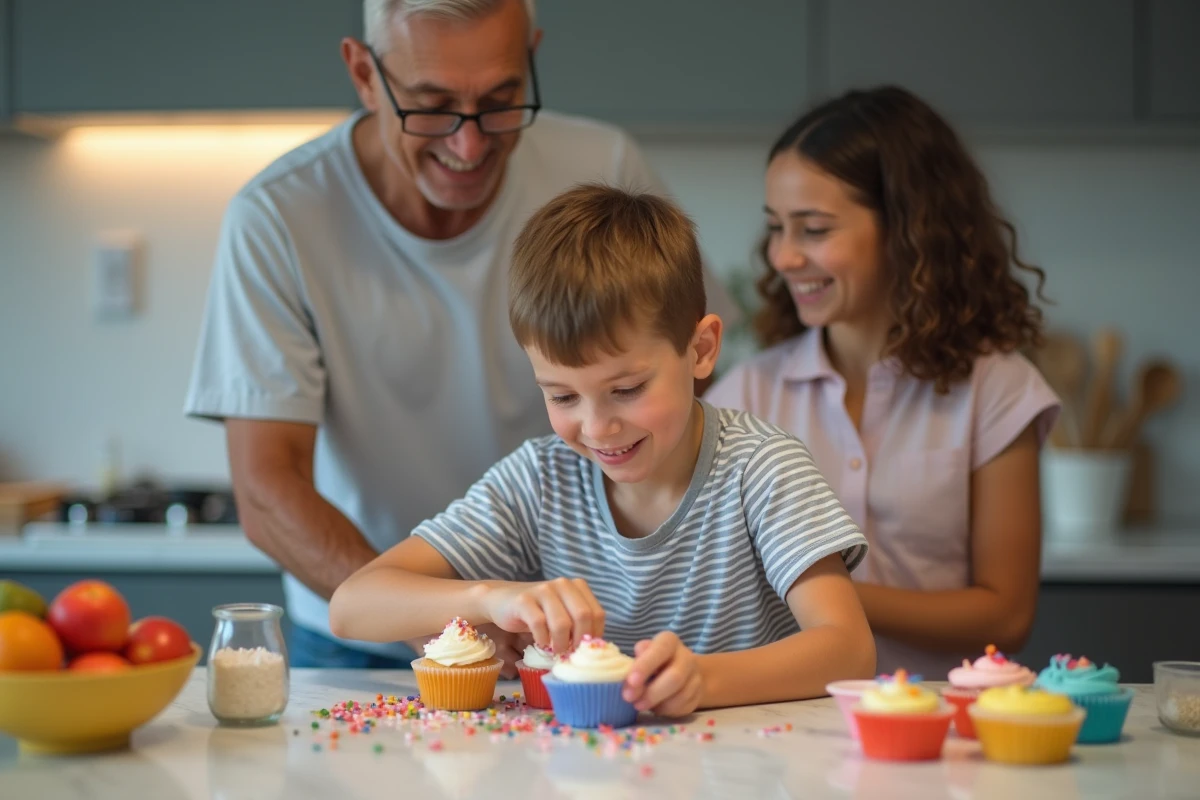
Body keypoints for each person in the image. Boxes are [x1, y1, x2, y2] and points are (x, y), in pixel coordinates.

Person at [183, 0, 736, 670]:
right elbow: (268, 490)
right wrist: (437, 621)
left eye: (502, 100)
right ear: (363, 74)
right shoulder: (278, 217)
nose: (469, 145)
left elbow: (690, 374)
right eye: (431, 105)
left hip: (563, 640)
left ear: (531, 55)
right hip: (356, 642)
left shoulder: (602, 165)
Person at [329, 184, 876, 716]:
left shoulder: (761, 468)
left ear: (701, 349)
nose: (598, 428)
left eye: (627, 390)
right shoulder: (540, 478)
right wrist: (491, 599)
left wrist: (704, 678)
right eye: (563, 395)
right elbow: (352, 605)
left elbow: (849, 648)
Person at [705, 86, 1061, 677]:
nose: (783, 258)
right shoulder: (746, 395)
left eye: (813, 229)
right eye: (776, 228)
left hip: (944, 724)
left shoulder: (998, 391)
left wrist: (819, 593)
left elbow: (1006, 615)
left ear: (907, 228)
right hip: (790, 723)